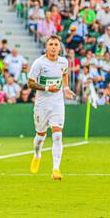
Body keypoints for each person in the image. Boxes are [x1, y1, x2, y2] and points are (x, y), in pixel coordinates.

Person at [27, 35, 76, 180]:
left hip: (57, 104)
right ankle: (37, 155)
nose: (53, 47)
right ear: (46, 47)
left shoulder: (63, 62)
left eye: (56, 44)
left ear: (59, 47)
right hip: (42, 105)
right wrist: (47, 88)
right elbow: (30, 83)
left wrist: (66, 88)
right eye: (51, 44)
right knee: (40, 136)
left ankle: (56, 169)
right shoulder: (39, 63)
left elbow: (64, 75)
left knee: (57, 135)